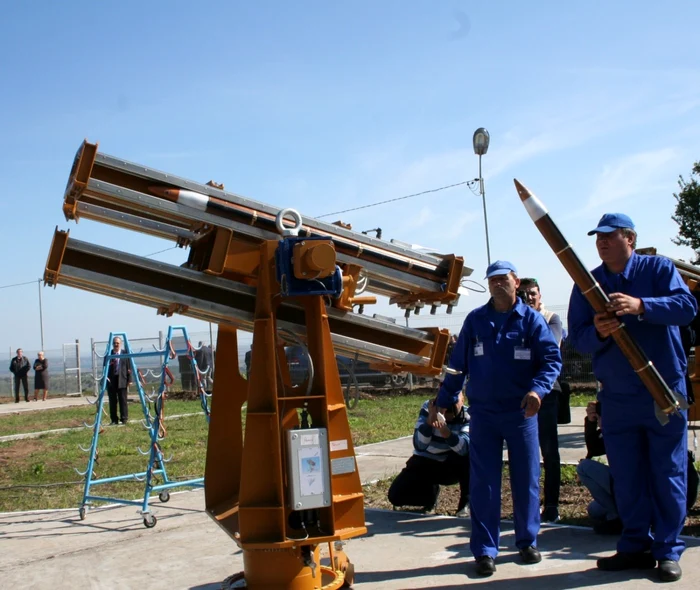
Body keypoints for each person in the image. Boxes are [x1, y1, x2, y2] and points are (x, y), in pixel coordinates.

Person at [568, 213, 697, 582]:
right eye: (598, 237)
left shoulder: (657, 269)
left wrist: (642, 306)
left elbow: (687, 308)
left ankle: (668, 550)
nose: (602, 242)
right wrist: (599, 329)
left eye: (610, 236)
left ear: (631, 239)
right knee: (627, 475)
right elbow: (579, 338)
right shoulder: (587, 284)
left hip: (662, 391)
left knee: (668, 473)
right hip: (619, 397)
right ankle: (634, 545)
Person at [437, 260, 562, 577]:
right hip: (485, 416)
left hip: (521, 414)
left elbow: (551, 360)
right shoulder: (476, 321)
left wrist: (538, 391)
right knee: (484, 484)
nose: (497, 285)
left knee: (526, 480)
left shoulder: (531, 321)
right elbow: (456, 367)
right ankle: (484, 550)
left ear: (515, 281)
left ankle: (526, 541)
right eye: (491, 280)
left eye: (502, 279)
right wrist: (443, 402)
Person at [578, 401, 699, 535]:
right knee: (595, 509)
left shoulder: (625, 435)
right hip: (674, 497)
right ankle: (630, 514)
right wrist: (590, 422)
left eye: (599, 418)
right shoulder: (631, 426)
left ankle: (622, 519)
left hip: (655, 494)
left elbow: (626, 478)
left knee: (585, 468)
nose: (599, 424)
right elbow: (594, 448)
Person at [520, 277, 563, 523]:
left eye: (533, 294)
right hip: (521, 392)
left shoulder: (550, 318)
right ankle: (528, 504)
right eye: (524, 294)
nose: (529, 298)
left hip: (546, 391)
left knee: (549, 450)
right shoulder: (516, 317)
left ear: (540, 294)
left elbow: (550, 347)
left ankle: (552, 504)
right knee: (525, 452)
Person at [388, 393, 470, 517]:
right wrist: (428, 423)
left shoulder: (469, 414)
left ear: (462, 399)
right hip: (426, 460)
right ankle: (429, 497)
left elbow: (464, 448)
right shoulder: (429, 407)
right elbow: (419, 445)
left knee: (470, 457)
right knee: (395, 496)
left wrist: (445, 432)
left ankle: (466, 504)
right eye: (445, 408)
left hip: (452, 463)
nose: (447, 414)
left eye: (453, 407)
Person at [106, 337, 132, 425]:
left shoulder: (125, 353)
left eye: (117, 343)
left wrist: (130, 379)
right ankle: (114, 420)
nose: (116, 344)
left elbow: (129, 367)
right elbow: (105, 367)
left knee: (123, 400)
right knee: (112, 401)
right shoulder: (109, 354)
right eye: (114, 343)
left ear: (120, 343)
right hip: (112, 380)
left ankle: (124, 418)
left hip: (122, 379)